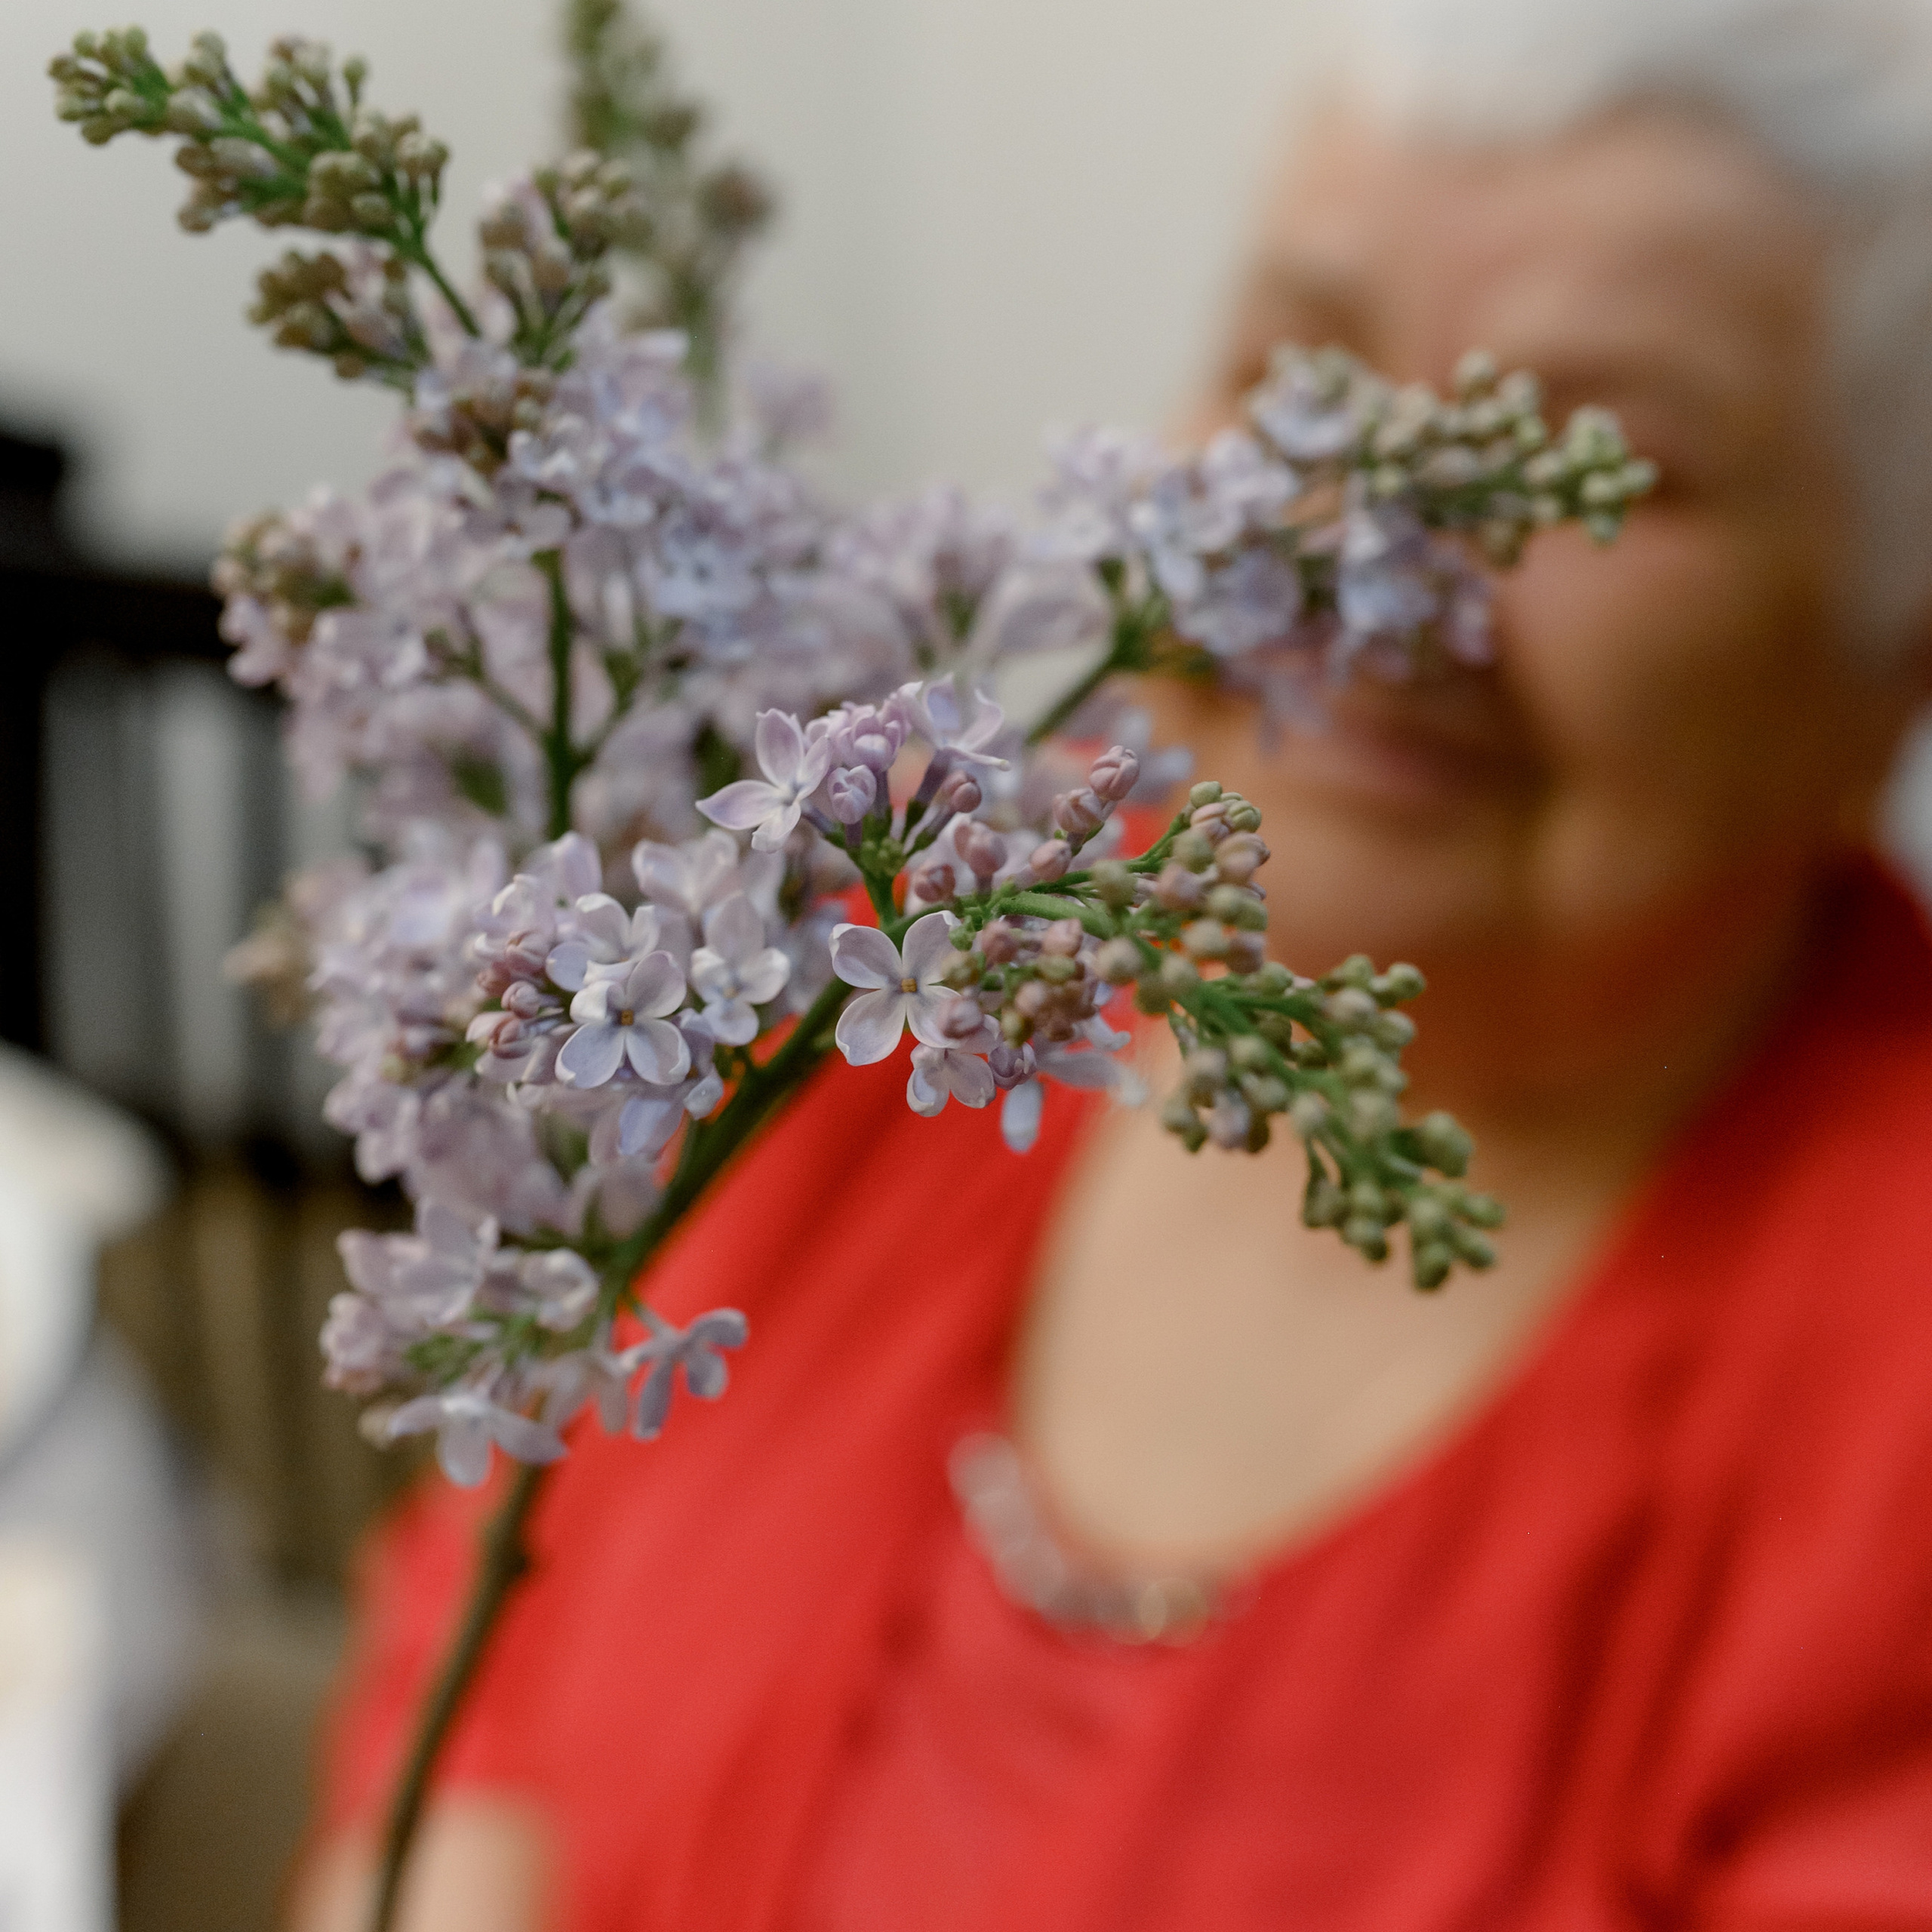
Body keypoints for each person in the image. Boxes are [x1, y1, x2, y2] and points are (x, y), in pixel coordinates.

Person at [292, 1, 1932, 1926]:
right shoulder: (908, 931)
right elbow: (492, 1645)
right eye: (1291, 377)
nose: (1349, 560)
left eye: (1595, 462)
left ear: (1890, 650)